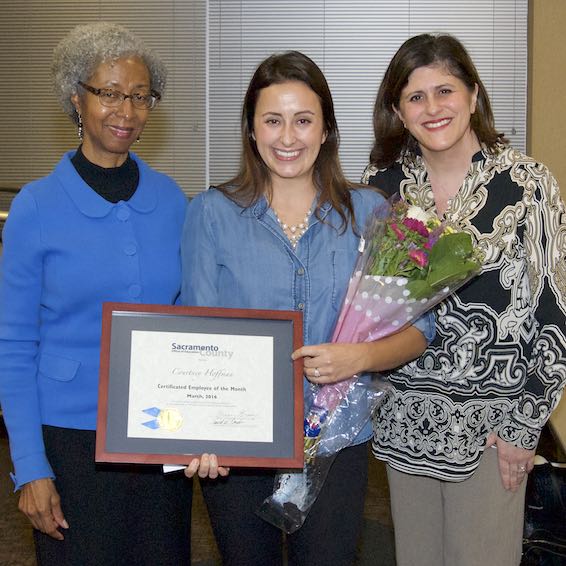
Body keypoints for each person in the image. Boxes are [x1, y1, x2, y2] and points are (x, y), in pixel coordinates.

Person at [181, 50, 434, 566]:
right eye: (272, 121)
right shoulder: (211, 214)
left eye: (303, 120)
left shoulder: (371, 213)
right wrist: (198, 432)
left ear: (326, 130)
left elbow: (420, 327)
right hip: (238, 444)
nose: (288, 137)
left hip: (337, 441)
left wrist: (358, 359)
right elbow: (196, 336)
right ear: (252, 130)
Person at [362, 33, 566, 566]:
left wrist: (526, 427)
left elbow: (554, 315)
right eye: (415, 96)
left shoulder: (528, 186)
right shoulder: (381, 189)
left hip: (494, 431)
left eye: (445, 90)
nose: (433, 108)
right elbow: (366, 306)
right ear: (398, 111)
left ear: (473, 95)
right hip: (404, 420)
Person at [0, 22, 191, 565]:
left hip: (160, 434)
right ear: (76, 98)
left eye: (139, 96)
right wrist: (31, 468)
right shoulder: (35, 208)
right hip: (69, 440)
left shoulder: (172, 200)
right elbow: (13, 348)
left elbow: (187, 322)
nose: (125, 111)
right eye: (108, 93)